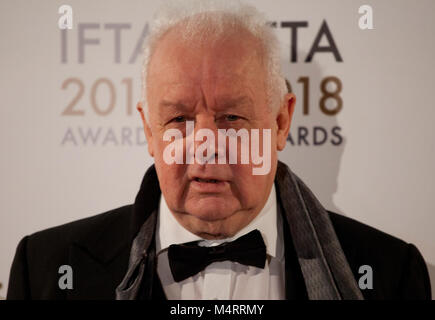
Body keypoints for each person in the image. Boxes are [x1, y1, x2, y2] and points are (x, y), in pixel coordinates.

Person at [7, 0, 431, 300]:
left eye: (231, 118)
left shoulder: (392, 273)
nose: (206, 148)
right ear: (148, 131)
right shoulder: (44, 269)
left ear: (281, 122)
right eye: (178, 120)